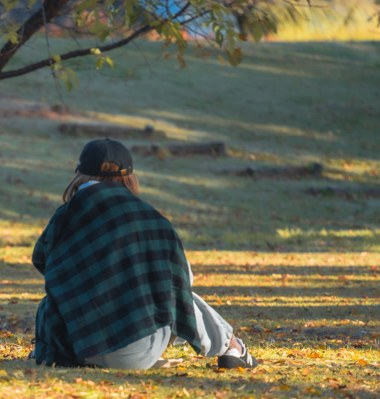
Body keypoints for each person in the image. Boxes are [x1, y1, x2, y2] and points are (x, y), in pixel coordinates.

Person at [30, 139, 257, 370]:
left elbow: (41, 260)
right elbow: (182, 281)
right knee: (172, 292)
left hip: (75, 348)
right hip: (139, 350)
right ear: (129, 177)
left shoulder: (67, 215)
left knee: (54, 300)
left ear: (80, 174)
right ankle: (232, 346)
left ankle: (230, 345)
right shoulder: (153, 219)